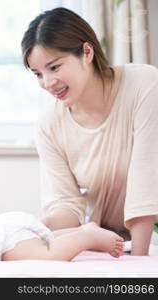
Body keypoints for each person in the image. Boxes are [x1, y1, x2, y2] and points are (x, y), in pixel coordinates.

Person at [21, 7, 158, 255]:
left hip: (151, 236)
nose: (47, 83)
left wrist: (140, 261)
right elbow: (67, 205)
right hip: (109, 241)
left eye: (54, 67)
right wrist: (37, 229)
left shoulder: (144, 85)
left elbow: (145, 185)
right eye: (38, 74)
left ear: (87, 52)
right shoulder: (49, 123)